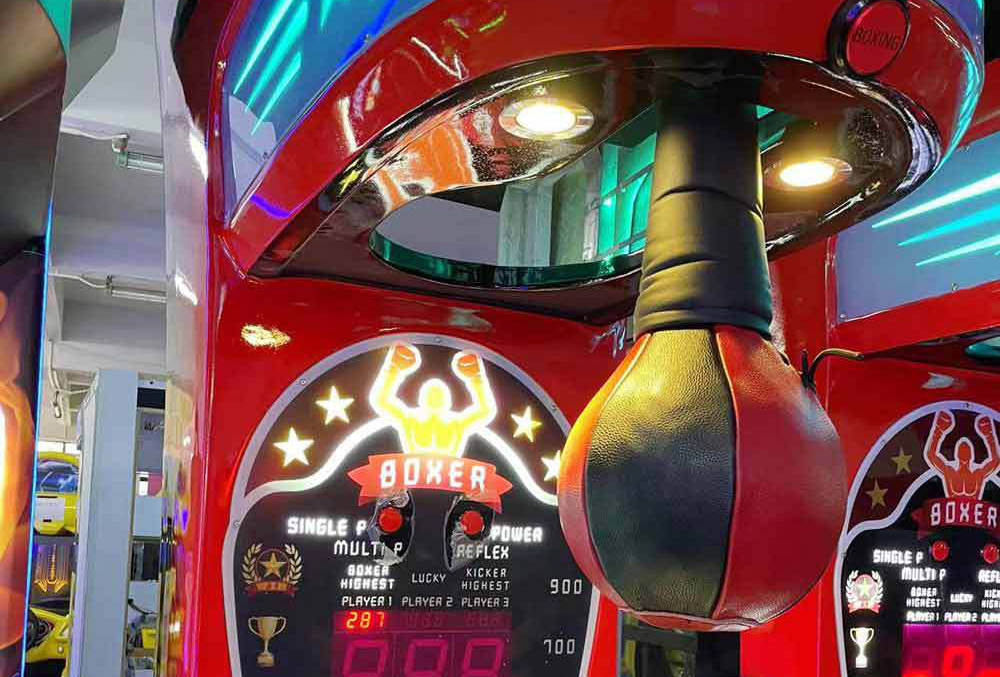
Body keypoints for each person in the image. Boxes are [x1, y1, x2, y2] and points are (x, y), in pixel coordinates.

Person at [371, 343, 497, 457]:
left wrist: (476, 378)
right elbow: (382, 400)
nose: (435, 398)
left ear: (447, 401)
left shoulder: (456, 424)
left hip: (448, 474)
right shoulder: (410, 420)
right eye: (431, 395)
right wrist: (393, 369)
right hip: (412, 473)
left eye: (439, 395)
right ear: (421, 399)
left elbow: (485, 410)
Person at [924, 410, 1000, 500]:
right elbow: (931, 455)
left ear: (971, 456)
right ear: (957, 455)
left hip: (974, 508)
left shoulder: (978, 475)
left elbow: (995, 461)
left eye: (967, 451)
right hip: (950, 508)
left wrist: (989, 436)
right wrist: (938, 431)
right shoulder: (950, 472)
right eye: (961, 451)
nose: (964, 454)